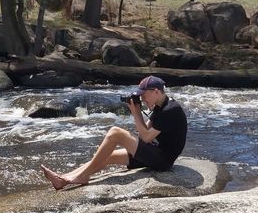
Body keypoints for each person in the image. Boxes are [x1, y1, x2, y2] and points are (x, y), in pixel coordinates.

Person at [41, 75, 188, 190]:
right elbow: (146, 133)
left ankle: (82, 176)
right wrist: (137, 111)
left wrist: (136, 113)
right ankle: (63, 179)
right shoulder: (160, 106)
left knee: (115, 133)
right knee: (106, 156)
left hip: (162, 161)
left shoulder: (171, 109)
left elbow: (145, 137)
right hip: (156, 153)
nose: (142, 98)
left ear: (156, 91)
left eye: (143, 95)